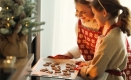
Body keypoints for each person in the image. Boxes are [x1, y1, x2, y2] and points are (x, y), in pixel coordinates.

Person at [78, 0, 131, 80]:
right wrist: (87, 64)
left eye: (95, 14)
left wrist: (81, 70)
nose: (94, 18)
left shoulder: (110, 39)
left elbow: (94, 73)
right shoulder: (118, 32)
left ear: (104, 13)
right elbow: (103, 61)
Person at [48, 0, 103, 64]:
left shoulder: (103, 26)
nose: (79, 15)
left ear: (95, 10)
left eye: (84, 12)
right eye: (77, 10)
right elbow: (83, 46)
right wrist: (68, 54)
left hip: (101, 66)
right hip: (89, 65)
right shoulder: (79, 24)